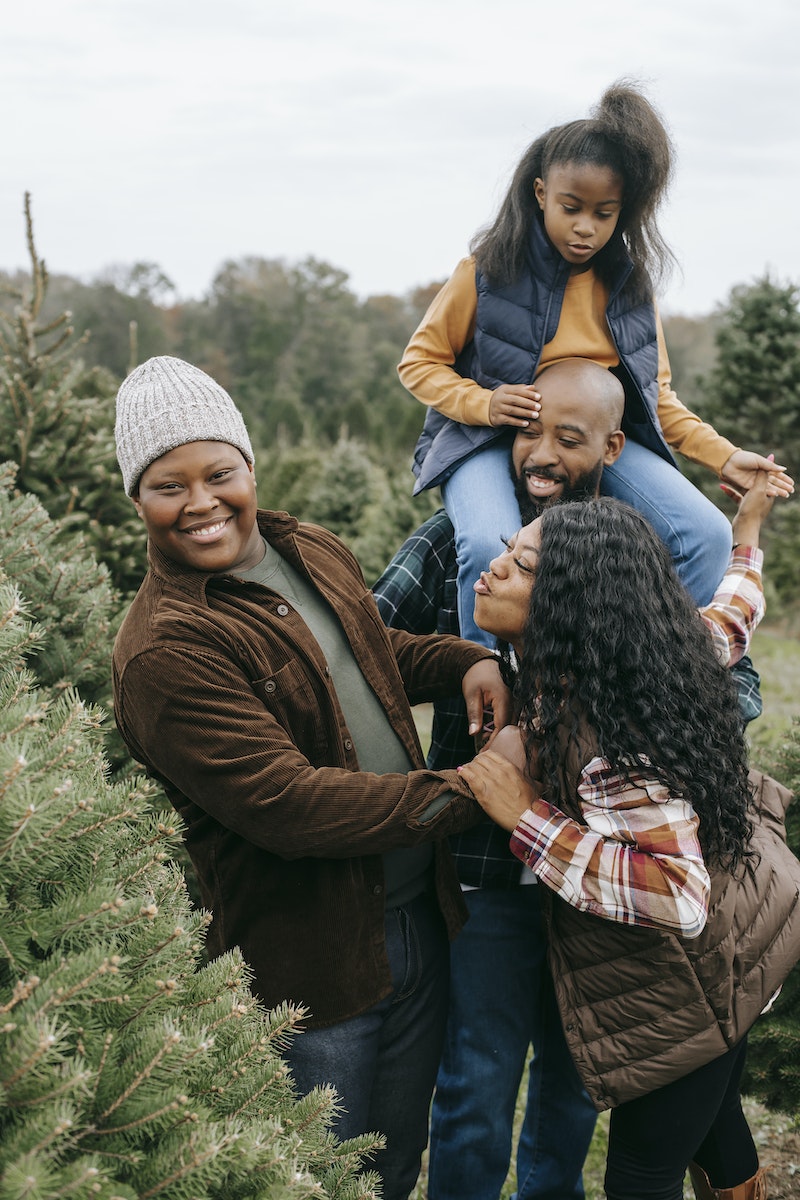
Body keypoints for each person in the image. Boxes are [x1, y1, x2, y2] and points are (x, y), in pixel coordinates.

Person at [110, 356, 513, 1200]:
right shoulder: (165, 649)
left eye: (219, 473)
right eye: (166, 485)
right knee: (313, 1183)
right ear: (135, 498)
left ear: (249, 467)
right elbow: (287, 806)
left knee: (393, 1167)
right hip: (312, 970)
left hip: (417, 925)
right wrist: (476, 790)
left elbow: (370, 653)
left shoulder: (308, 548)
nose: (202, 502)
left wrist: (466, 660)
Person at [374, 359, 759, 1200]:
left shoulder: (618, 554)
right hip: (484, 872)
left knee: (576, 1076)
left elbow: (721, 650)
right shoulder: (457, 543)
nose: (541, 454)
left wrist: (656, 721)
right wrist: (466, 662)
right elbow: (367, 649)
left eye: (569, 438)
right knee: (475, 1079)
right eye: (527, 430)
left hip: (598, 880)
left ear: (611, 448)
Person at [459, 480, 800, 1200]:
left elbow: (678, 896)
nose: (492, 571)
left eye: (522, 568)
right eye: (506, 553)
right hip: (748, 940)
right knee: (714, 1127)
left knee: (642, 1175)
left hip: (700, 976)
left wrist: (526, 815)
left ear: (568, 611)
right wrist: (748, 528)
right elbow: (734, 616)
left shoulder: (611, 742)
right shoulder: (652, 656)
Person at [399, 80, 794, 647]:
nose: (585, 227)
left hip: (589, 438)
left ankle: (651, 683)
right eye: (571, 208)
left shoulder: (630, 288)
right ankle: (485, 687)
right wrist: (484, 404)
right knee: (489, 543)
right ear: (540, 193)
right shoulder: (485, 272)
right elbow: (419, 363)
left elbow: (656, 399)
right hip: (482, 439)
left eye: (603, 214)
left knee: (705, 533)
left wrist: (725, 457)